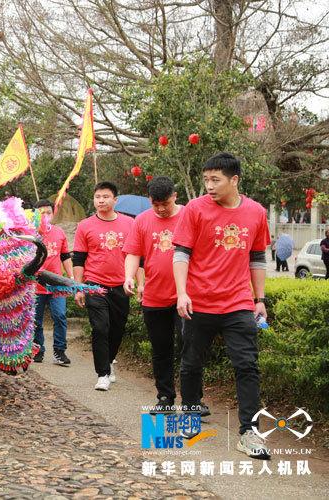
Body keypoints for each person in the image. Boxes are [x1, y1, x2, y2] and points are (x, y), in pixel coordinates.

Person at [173, 152, 271, 460]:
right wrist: (181, 293)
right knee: (191, 364)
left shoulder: (256, 212)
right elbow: (181, 254)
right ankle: (189, 416)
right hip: (199, 301)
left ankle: (249, 432)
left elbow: (257, 258)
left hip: (238, 303)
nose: (209, 186)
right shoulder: (195, 209)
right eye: (206, 180)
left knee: (247, 366)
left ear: (234, 180)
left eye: (216, 180)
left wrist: (259, 299)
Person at [123, 177, 211, 416]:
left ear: (175, 196)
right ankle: (165, 397)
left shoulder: (190, 216)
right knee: (161, 350)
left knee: (190, 350)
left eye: (165, 203)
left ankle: (193, 400)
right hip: (154, 296)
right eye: (155, 204)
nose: (161, 208)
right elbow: (133, 252)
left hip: (187, 297)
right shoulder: (141, 221)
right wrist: (129, 276)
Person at [73, 181, 134, 391]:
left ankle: (109, 361)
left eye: (106, 196)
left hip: (120, 284)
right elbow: (79, 259)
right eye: (98, 197)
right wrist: (78, 287)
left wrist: (135, 280)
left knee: (117, 329)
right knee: (100, 328)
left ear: (115, 200)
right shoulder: (85, 225)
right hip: (94, 283)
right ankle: (103, 374)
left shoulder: (129, 224)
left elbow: (135, 256)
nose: (101, 200)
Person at [33, 199, 73, 365]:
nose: (46, 216)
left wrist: (70, 277)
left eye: (49, 213)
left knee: (60, 316)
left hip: (57, 283)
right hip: (35, 285)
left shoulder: (59, 232)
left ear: (53, 213)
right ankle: (37, 350)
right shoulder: (30, 234)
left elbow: (65, 256)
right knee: (36, 320)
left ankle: (59, 351)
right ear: (35, 215)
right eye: (42, 213)